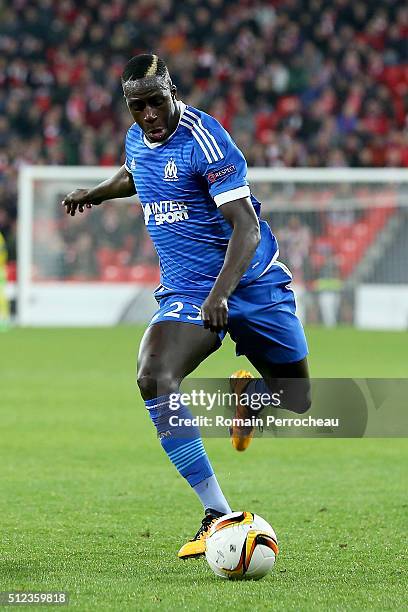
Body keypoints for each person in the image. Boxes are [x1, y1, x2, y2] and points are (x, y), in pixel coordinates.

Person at [62, 54, 310, 559]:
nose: (149, 115)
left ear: (171, 91)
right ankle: (218, 512)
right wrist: (97, 194)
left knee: (298, 397)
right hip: (185, 289)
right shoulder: (138, 137)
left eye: (156, 102)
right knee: (154, 376)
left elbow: (247, 226)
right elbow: (135, 175)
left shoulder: (206, 139)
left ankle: (251, 400)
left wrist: (221, 294)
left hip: (252, 282)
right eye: (138, 107)